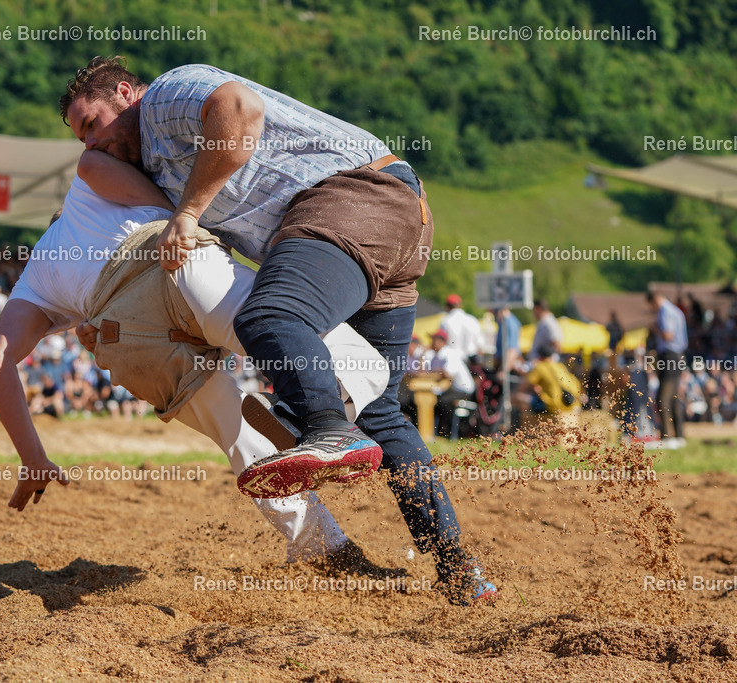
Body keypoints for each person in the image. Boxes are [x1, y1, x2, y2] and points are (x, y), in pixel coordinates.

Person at [60, 56, 497, 603]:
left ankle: (320, 426)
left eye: (92, 126)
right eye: (81, 139)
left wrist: (190, 213)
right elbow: (115, 228)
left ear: (126, 93)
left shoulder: (165, 97)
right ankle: (461, 571)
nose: (91, 145)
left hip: (353, 201)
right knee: (382, 411)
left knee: (269, 317)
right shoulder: (157, 167)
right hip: (388, 225)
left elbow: (238, 107)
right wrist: (102, 317)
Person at [0, 160, 390, 566]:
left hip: (132, 342)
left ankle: (323, 546)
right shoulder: (91, 188)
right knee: (362, 364)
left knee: (239, 433)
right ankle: (301, 416)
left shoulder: (36, 277)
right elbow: (189, 207)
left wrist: (33, 458)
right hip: (170, 270)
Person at [647, 289, 688, 446]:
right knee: (673, 397)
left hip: (670, 355)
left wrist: (654, 329)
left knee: (662, 397)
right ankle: (679, 434)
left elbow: (668, 335)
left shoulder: (665, 311)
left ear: (655, 300)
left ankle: (666, 435)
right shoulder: (676, 311)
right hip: (678, 355)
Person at [429, 329, 476, 438]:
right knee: (436, 399)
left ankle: (447, 433)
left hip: (464, 391)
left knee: (441, 401)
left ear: (441, 341)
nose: (431, 343)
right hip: (456, 390)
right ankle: (441, 433)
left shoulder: (449, 353)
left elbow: (448, 374)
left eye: (433, 340)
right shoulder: (439, 355)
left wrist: (432, 372)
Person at [439, 294, 482, 359]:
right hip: (472, 360)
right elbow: (480, 344)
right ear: (460, 305)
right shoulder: (472, 320)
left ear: (447, 306)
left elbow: (441, 342)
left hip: (453, 358)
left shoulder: (445, 321)